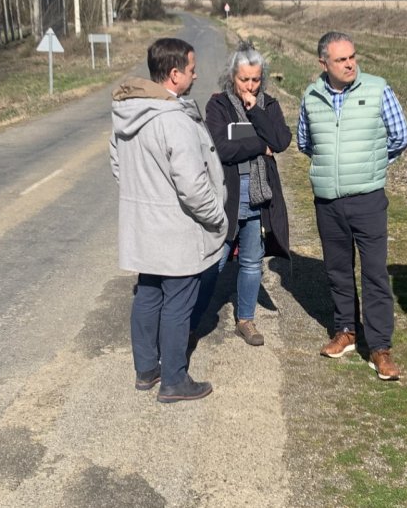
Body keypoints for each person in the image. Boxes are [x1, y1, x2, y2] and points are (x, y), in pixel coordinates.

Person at [109, 37, 228, 404]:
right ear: (175, 74)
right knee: (178, 301)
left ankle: (146, 370)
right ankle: (174, 379)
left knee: (147, 293)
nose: (195, 75)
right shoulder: (173, 119)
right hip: (177, 229)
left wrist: (148, 198)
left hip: (143, 226)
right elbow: (193, 187)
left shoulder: (127, 112)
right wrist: (217, 217)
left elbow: (118, 167)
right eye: (192, 70)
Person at [297, 31, 407, 380]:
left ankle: (380, 349)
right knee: (337, 270)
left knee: (375, 273)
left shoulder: (377, 89)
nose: (350, 64)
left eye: (352, 57)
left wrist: (372, 165)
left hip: (368, 199)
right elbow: (305, 142)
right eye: (341, 59)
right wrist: (333, 168)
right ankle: (345, 331)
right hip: (328, 200)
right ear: (323, 64)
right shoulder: (311, 95)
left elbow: (400, 136)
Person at [198, 41, 292, 346]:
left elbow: (280, 140)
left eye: (255, 79)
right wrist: (258, 144)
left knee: (253, 262)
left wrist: (256, 115)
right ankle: (190, 318)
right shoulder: (218, 105)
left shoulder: (270, 105)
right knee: (217, 260)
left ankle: (246, 319)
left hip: (259, 198)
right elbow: (222, 149)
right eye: (243, 80)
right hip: (229, 198)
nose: (250, 86)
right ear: (231, 77)